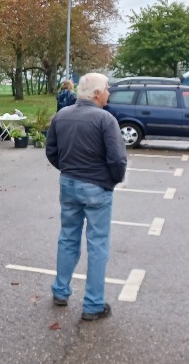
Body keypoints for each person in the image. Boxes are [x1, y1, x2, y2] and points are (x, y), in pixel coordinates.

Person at [45, 72, 128, 321]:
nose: (109, 93)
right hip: (96, 186)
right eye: (107, 89)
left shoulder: (62, 115)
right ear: (97, 93)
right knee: (97, 244)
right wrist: (112, 181)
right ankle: (93, 304)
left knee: (68, 237)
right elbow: (117, 159)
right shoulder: (105, 119)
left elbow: (51, 152)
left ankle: (60, 291)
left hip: (69, 183)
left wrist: (68, 169)